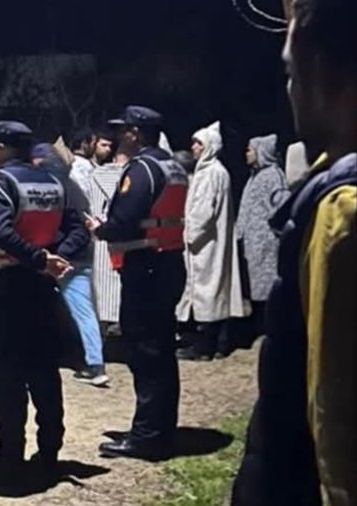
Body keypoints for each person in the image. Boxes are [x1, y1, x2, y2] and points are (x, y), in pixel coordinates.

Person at [233, 0, 357, 504]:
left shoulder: (343, 213)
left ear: (327, 75)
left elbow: (336, 428)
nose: (289, 91)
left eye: (291, 72)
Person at [0, 122, 86, 488]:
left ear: (4, 148)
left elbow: (1, 231)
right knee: (44, 371)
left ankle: (10, 461)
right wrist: (53, 257)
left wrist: (38, 258)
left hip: (8, 287)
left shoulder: (2, 183)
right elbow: (79, 229)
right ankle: (49, 454)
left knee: (8, 378)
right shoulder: (55, 182)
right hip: (42, 288)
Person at [85, 106, 188, 460]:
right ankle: (160, 430)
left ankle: (147, 438)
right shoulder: (173, 166)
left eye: (123, 130)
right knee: (161, 352)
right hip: (168, 261)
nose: (117, 136)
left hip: (147, 266)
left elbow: (125, 221)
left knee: (145, 353)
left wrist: (101, 228)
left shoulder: (142, 168)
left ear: (136, 133)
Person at [32, 143, 108, 387]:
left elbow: (79, 231)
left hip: (67, 258)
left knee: (77, 310)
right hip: (77, 256)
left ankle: (93, 364)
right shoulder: (71, 186)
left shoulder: (58, 189)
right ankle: (88, 360)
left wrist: (57, 256)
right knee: (78, 311)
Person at [175, 121, 246, 361]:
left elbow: (203, 211)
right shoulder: (215, 171)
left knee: (206, 291)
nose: (193, 148)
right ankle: (214, 343)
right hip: (211, 241)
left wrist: (188, 235)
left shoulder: (210, 174)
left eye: (198, 143)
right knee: (213, 290)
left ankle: (205, 346)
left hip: (205, 244)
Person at [235, 134, 288, 343]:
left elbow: (281, 205)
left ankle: (267, 325)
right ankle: (257, 323)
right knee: (255, 284)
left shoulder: (273, 176)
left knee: (266, 285)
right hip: (253, 241)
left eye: (250, 149)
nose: (246, 153)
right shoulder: (255, 176)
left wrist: (271, 230)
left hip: (265, 241)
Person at [79, 130, 124, 330]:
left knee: (101, 287)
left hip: (98, 234)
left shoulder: (92, 175)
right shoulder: (135, 175)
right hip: (118, 236)